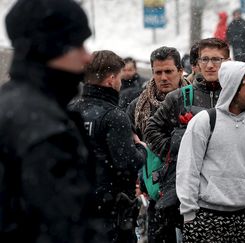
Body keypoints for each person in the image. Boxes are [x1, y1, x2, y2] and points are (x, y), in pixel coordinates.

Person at [0, 0, 105, 242]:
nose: (87, 57)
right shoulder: (44, 129)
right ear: (50, 48)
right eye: (78, 45)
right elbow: (69, 227)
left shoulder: (12, 103)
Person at [143, 37, 231, 242]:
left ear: (228, 61)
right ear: (197, 63)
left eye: (216, 60)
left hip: (229, 189)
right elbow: (151, 128)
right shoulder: (180, 97)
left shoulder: (238, 94)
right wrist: (174, 154)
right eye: (205, 59)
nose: (210, 65)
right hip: (188, 191)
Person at [176, 61, 245, 242]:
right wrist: (189, 213)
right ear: (233, 89)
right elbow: (188, 168)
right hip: (206, 217)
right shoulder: (204, 121)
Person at [68, 50, 147, 243]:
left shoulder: (71, 110)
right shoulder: (114, 116)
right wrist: (141, 148)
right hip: (111, 212)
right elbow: (127, 163)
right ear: (111, 80)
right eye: (119, 76)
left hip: (76, 206)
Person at [133, 46, 189, 243]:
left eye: (169, 71)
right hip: (155, 193)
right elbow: (132, 147)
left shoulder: (195, 99)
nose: (163, 77)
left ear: (180, 71)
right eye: (158, 72)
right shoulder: (138, 106)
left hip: (190, 191)